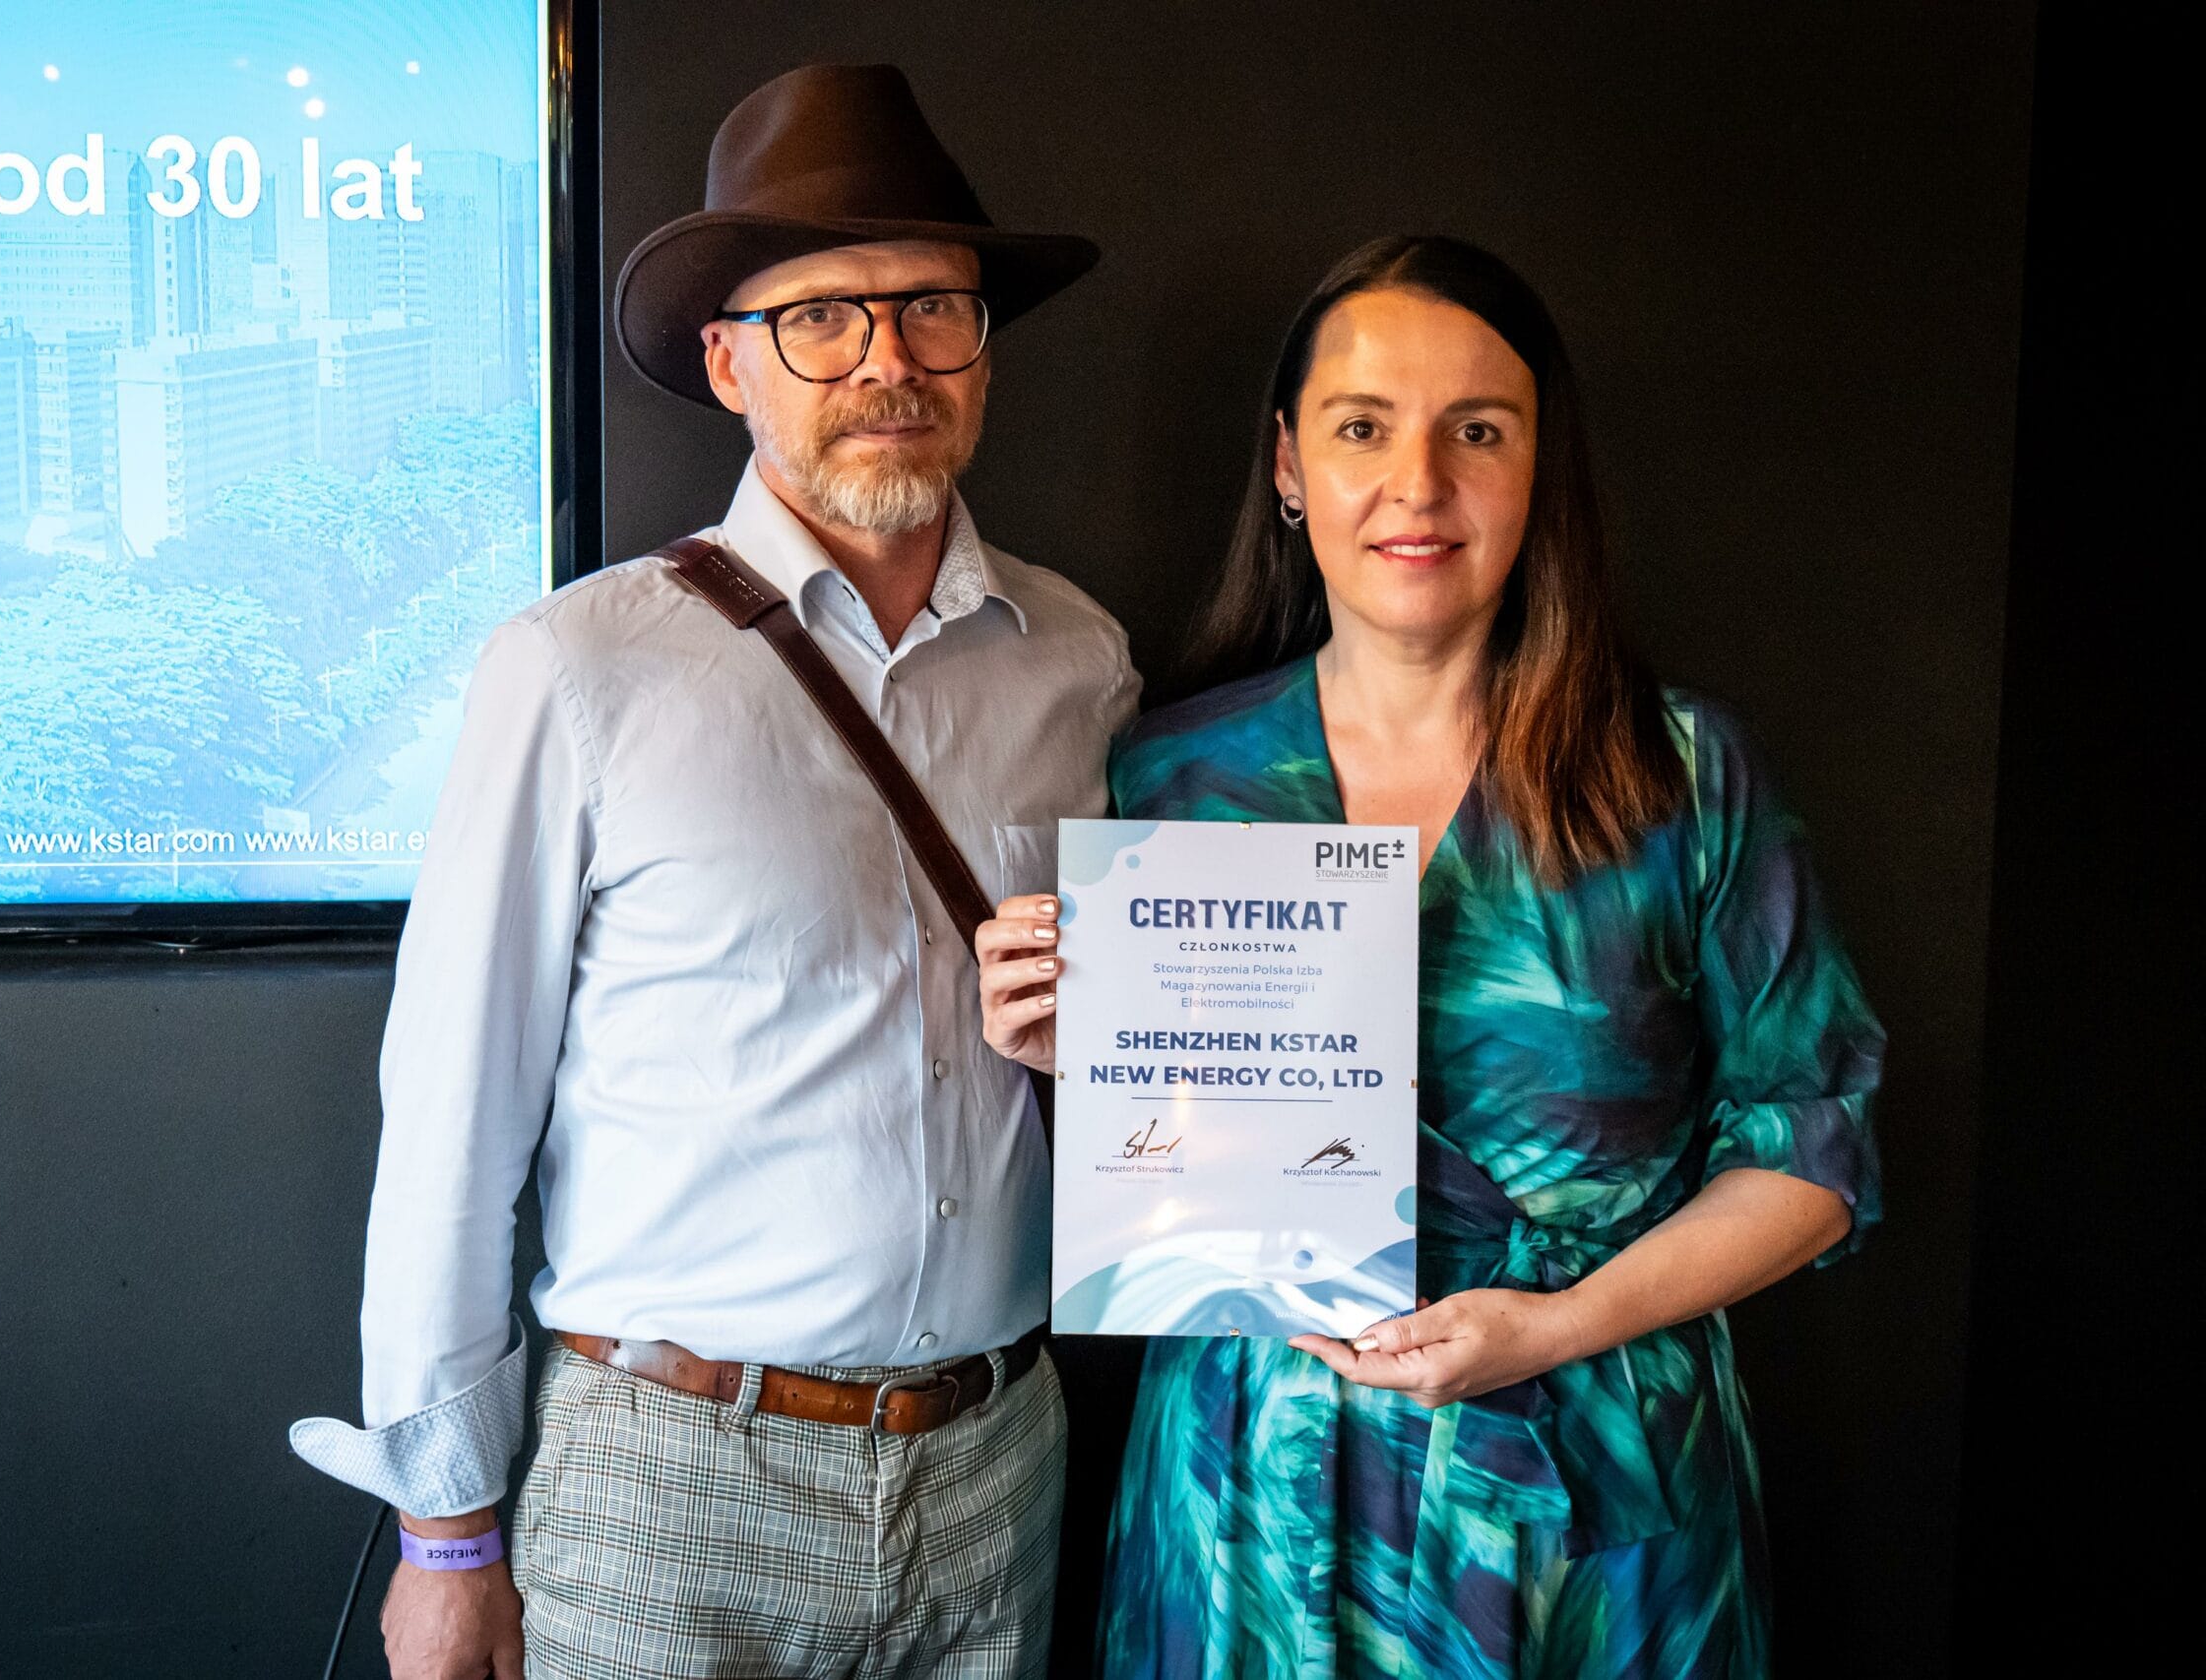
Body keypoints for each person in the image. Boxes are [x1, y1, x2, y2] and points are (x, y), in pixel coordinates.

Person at [290, 64, 1138, 1680]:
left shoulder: (1080, 661)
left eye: (932, 309)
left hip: (998, 1468)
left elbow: (1142, 1067)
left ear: (982, 352)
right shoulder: (577, 669)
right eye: (821, 318)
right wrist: (447, 1535)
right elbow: (453, 1122)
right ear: (728, 362)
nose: (887, 360)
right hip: (668, 1486)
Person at [977, 234, 1883, 1677]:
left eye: (1478, 430)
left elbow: (1816, 1154)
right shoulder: (1174, 776)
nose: (1419, 481)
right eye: (1362, 428)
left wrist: (1557, 1326)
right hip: (1253, 1496)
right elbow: (1172, 1166)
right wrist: (1067, 1056)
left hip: (1593, 1489)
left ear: (1539, 466)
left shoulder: (1684, 774)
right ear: (1289, 465)